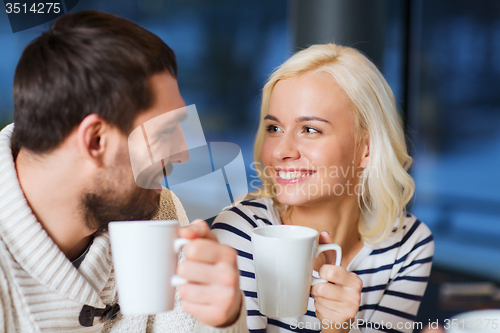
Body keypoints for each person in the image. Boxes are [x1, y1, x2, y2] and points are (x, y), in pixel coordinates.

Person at [0, 10, 247, 333]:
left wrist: (221, 319)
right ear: (96, 140)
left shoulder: (157, 212)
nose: (183, 153)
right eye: (164, 131)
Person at [212, 44, 434, 333]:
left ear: (366, 149)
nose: (281, 151)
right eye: (274, 128)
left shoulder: (408, 245)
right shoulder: (239, 233)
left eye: (310, 130)